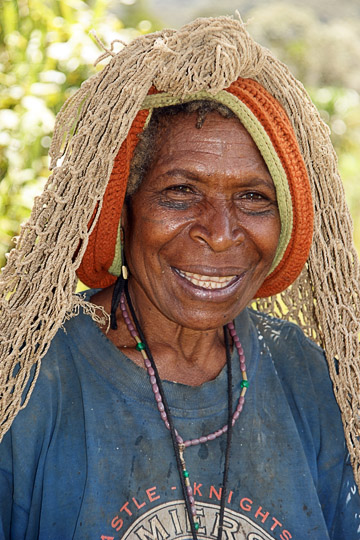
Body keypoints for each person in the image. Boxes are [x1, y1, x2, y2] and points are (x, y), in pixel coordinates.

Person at [0, 15, 360, 540]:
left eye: (253, 198)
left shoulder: (306, 375)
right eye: (180, 192)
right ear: (122, 211)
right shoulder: (31, 383)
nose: (219, 234)